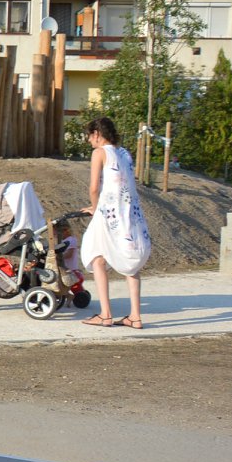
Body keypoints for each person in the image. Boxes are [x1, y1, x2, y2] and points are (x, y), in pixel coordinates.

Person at [80, 116, 151, 329]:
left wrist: (95, 208)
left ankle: (105, 314)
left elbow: (94, 187)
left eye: (90, 135)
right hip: (130, 213)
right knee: (131, 263)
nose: (89, 140)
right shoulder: (124, 153)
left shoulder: (99, 153)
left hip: (109, 214)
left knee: (96, 256)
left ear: (97, 134)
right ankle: (135, 316)